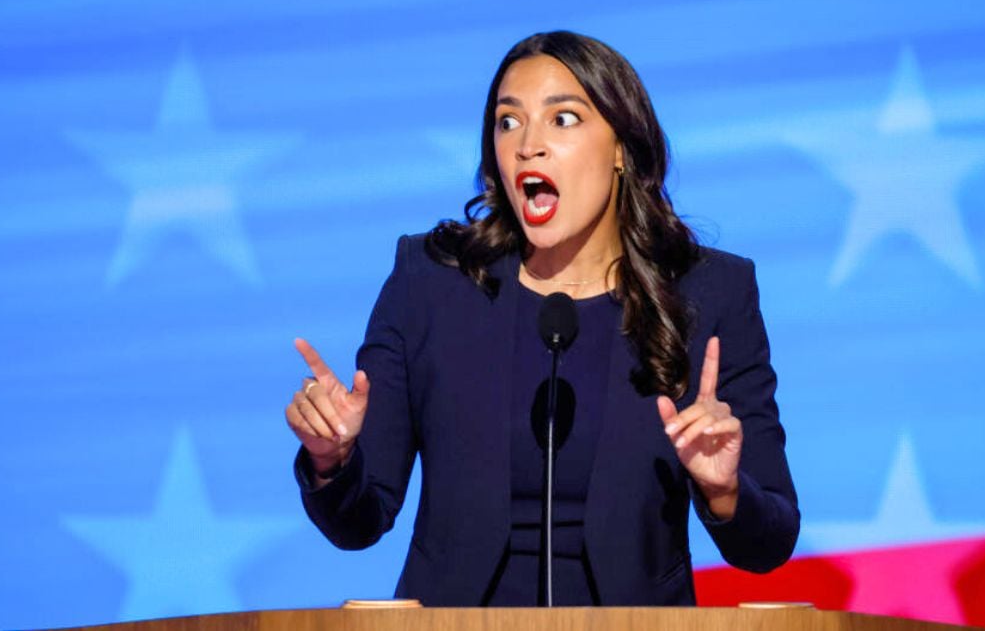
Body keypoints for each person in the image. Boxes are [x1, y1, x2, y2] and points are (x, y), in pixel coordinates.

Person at [285, 30, 798, 606]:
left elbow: (770, 541)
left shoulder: (709, 291)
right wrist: (332, 460)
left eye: (564, 119)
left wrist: (723, 488)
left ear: (622, 148)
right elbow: (359, 523)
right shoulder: (432, 282)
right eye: (509, 122)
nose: (528, 144)